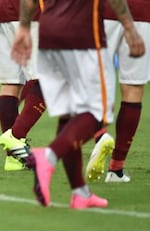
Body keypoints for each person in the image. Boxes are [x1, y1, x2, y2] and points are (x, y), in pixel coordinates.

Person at [12, 0, 145, 209]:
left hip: (48, 36)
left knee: (69, 115)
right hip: (84, 39)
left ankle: (80, 192)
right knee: (97, 115)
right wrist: (130, 27)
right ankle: (48, 156)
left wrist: (23, 27)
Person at [86, 0, 150, 183]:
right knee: (133, 88)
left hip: (103, 10)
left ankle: (100, 136)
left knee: (90, 81)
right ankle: (116, 168)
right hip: (141, 13)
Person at [0, 0, 46, 171]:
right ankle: (15, 137)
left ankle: (13, 159)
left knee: (11, 81)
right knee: (46, 80)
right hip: (25, 8)